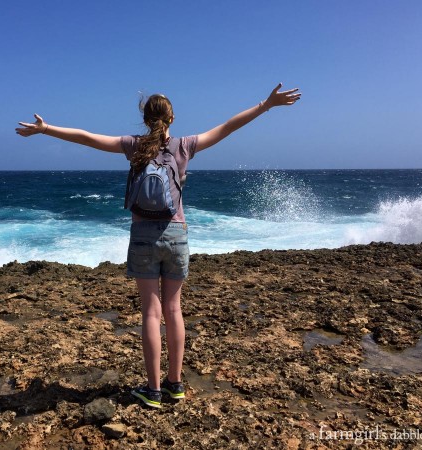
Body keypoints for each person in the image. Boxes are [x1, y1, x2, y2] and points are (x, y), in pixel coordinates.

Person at [15, 83, 301, 408]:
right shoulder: (185, 146)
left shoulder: (132, 146)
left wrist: (46, 129)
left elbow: (87, 137)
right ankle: (175, 385)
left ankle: (152, 392)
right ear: (172, 118)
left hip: (142, 236)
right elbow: (227, 127)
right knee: (174, 310)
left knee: (151, 313)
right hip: (176, 233)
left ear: (145, 119)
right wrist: (267, 104)